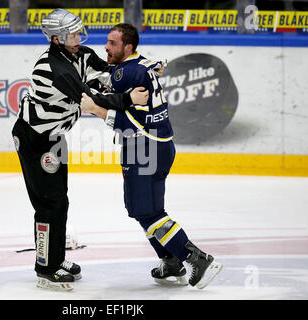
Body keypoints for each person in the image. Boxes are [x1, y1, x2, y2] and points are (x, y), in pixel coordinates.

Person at [11, 10, 149, 291]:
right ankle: (45, 269)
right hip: (34, 140)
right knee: (49, 204)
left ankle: (55, 259)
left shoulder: (81, 54)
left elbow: (110, 75)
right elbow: (91, 99)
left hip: (54, 137)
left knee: (60, 201)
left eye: (78, 31)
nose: (80, 37)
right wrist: (128, 99)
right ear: (57, 39)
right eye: (73, 34)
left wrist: (144, 68)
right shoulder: (52, 69)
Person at [80, 23, 223, 289]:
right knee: (151, 210)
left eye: (112, 43)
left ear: (128, 47)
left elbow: (126, 117)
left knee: (143, 210)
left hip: (142, 147)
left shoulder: (127, 75)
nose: (106, 47)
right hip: (160, 145)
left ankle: (197, 259)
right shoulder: (141, 64)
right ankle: (171, 261)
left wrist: (93, 107)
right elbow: (122, 78)